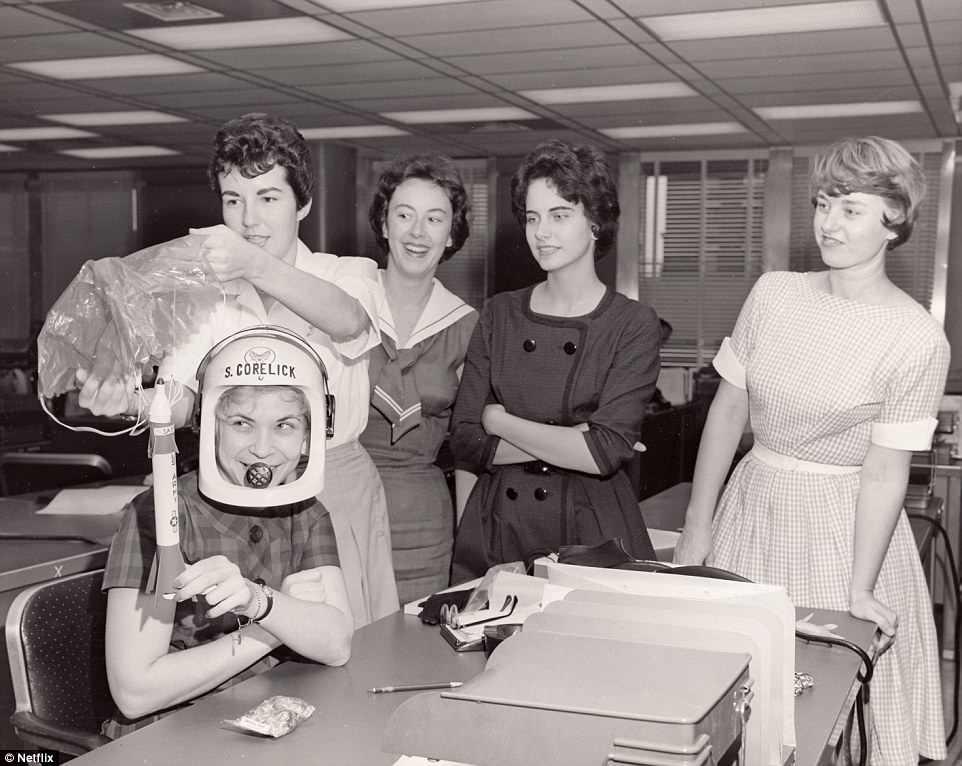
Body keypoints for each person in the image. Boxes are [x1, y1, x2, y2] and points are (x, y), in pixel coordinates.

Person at [673, 136, 949, 764]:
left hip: (841, 527)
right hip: (752, 508)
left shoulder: (916, 338)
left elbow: (884, 470)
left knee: (822, 711)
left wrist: (861, 586)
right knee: (727, 703)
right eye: (824, 204)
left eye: (850, 208)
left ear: (895, 219)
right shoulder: (774, 293)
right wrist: (696, 526)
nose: (828, 222)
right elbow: (728, 410)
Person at [78, 113, 399, 627]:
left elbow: (350, 322)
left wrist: (254, 265)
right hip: (231, 495)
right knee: (243, 649)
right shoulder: (206, 297)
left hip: (332, 487)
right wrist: (129, 403)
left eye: (268, 198)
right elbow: (184, 403)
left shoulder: (346, 274)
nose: (249, 220)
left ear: (304, 204)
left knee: (349, 641)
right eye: (233, 200)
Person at [102, 331, 353, 738]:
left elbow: (337, 643)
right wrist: (274, 616)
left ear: (311, 433)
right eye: (241, 423)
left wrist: (258, 600)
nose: (262, 449)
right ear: (209, 426)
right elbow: (135, 691)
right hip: (169, 737)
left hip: (271, 720)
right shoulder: (160, 513)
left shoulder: (308, 513)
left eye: (284, 425)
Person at [449, 139, 661, 583]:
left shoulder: (631, 324)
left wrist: (500, 421)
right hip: (498, 533)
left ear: (596, 223)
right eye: (532, 217)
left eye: (559, 215)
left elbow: (604, 453)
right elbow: (465, 440)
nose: (541, 232)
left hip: (591, 537)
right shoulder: (499, 313)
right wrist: (572, 440)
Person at [359, 155, 478, 605]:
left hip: (423, 522)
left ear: (451, 235)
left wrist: (469, 545)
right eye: (404, 215)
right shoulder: (344, 300)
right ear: (384, 224)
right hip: (340, 505)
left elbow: (471, 447)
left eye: (434, 219)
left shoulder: (467, 326)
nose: (417, 232)